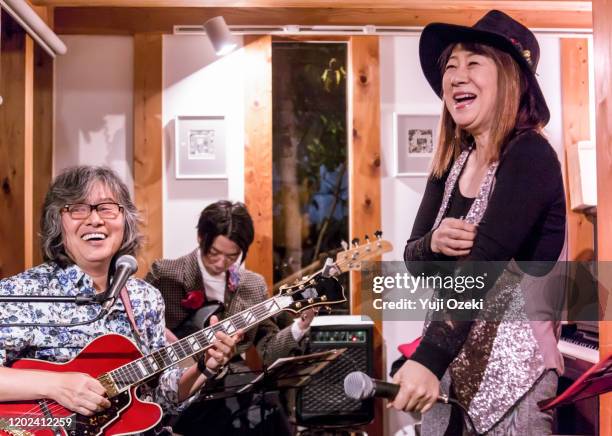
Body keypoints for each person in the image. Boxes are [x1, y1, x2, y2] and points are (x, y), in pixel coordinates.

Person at [391, 10, 566, 435]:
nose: (455, 76)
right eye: (450, 66)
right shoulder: (451, 161)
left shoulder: (530, 156)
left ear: (510, 78)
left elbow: (482, 266)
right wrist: (433, 243)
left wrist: (427, 359)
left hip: (515, 385)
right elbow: (413, 258)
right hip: (450, 374)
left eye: (472, 63)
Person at [0, 166, 239, 431]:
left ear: (125, 220)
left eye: (107, 208)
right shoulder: (20, 293)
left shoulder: (145, 298)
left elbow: (157, 398)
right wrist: (56, 386)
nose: (95, 220)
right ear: (57, 222)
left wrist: (204, 368)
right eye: (78, 208)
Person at [146, 200, 315, 435]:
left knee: (271, 415)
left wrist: (299, 327)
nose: (221, 262)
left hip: (229, 383)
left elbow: (268, 350)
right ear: (200, 237)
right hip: (180, 384)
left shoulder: (252, 286)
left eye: (232, 256)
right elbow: (136, 324)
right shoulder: (166, 274)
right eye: (214, 252)